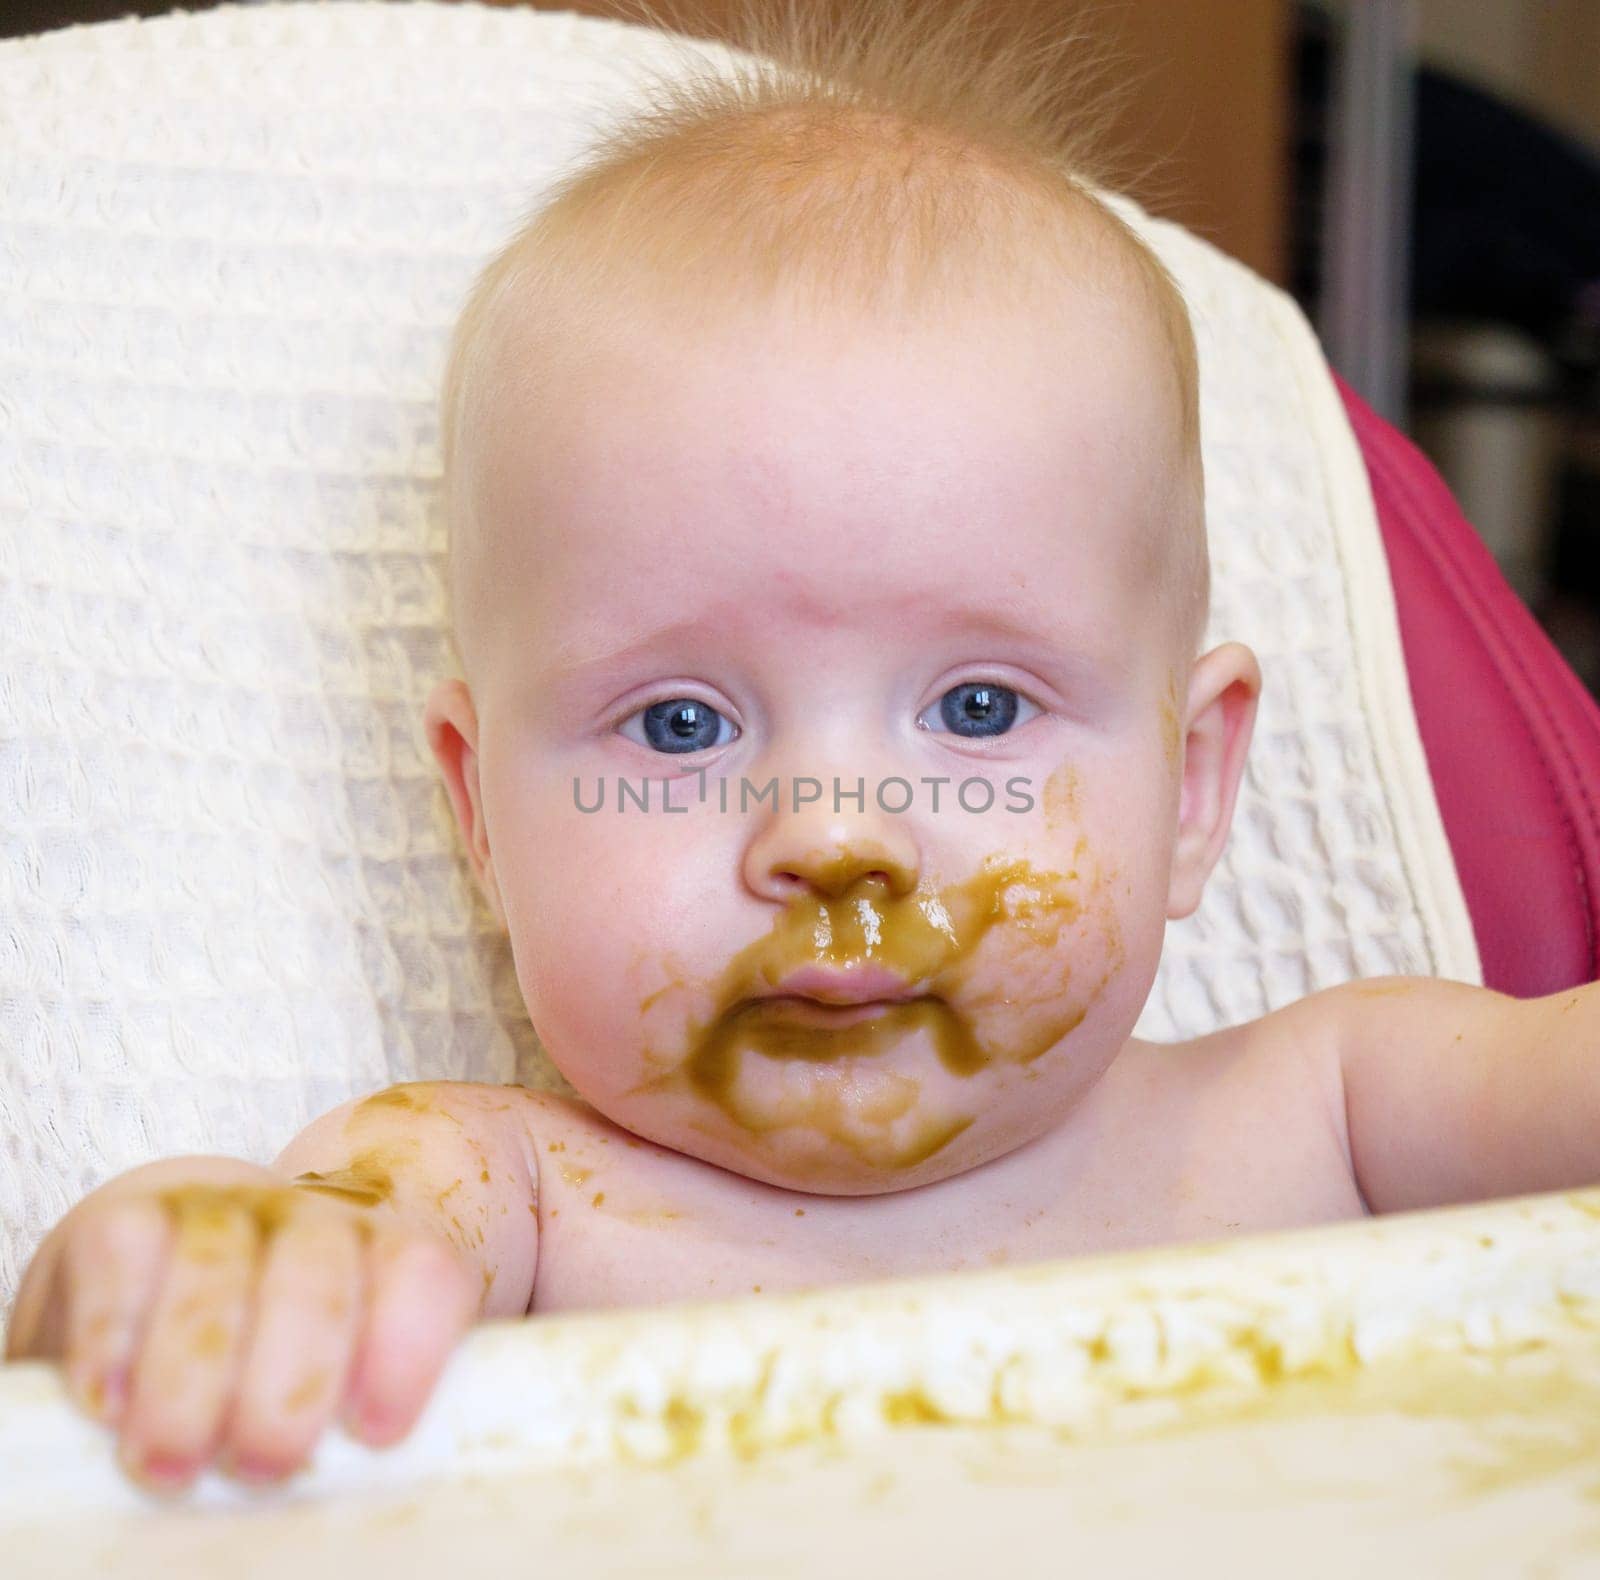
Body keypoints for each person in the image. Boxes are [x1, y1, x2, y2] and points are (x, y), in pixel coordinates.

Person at [7, 0, 1595, 1498]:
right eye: (681, 725)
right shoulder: (512, 1199)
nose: (839, 835)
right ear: (484, 818)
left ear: (1189, 787)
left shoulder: (1335, 1110)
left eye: (978, 709)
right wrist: (191, 1276)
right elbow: (306, 1259)